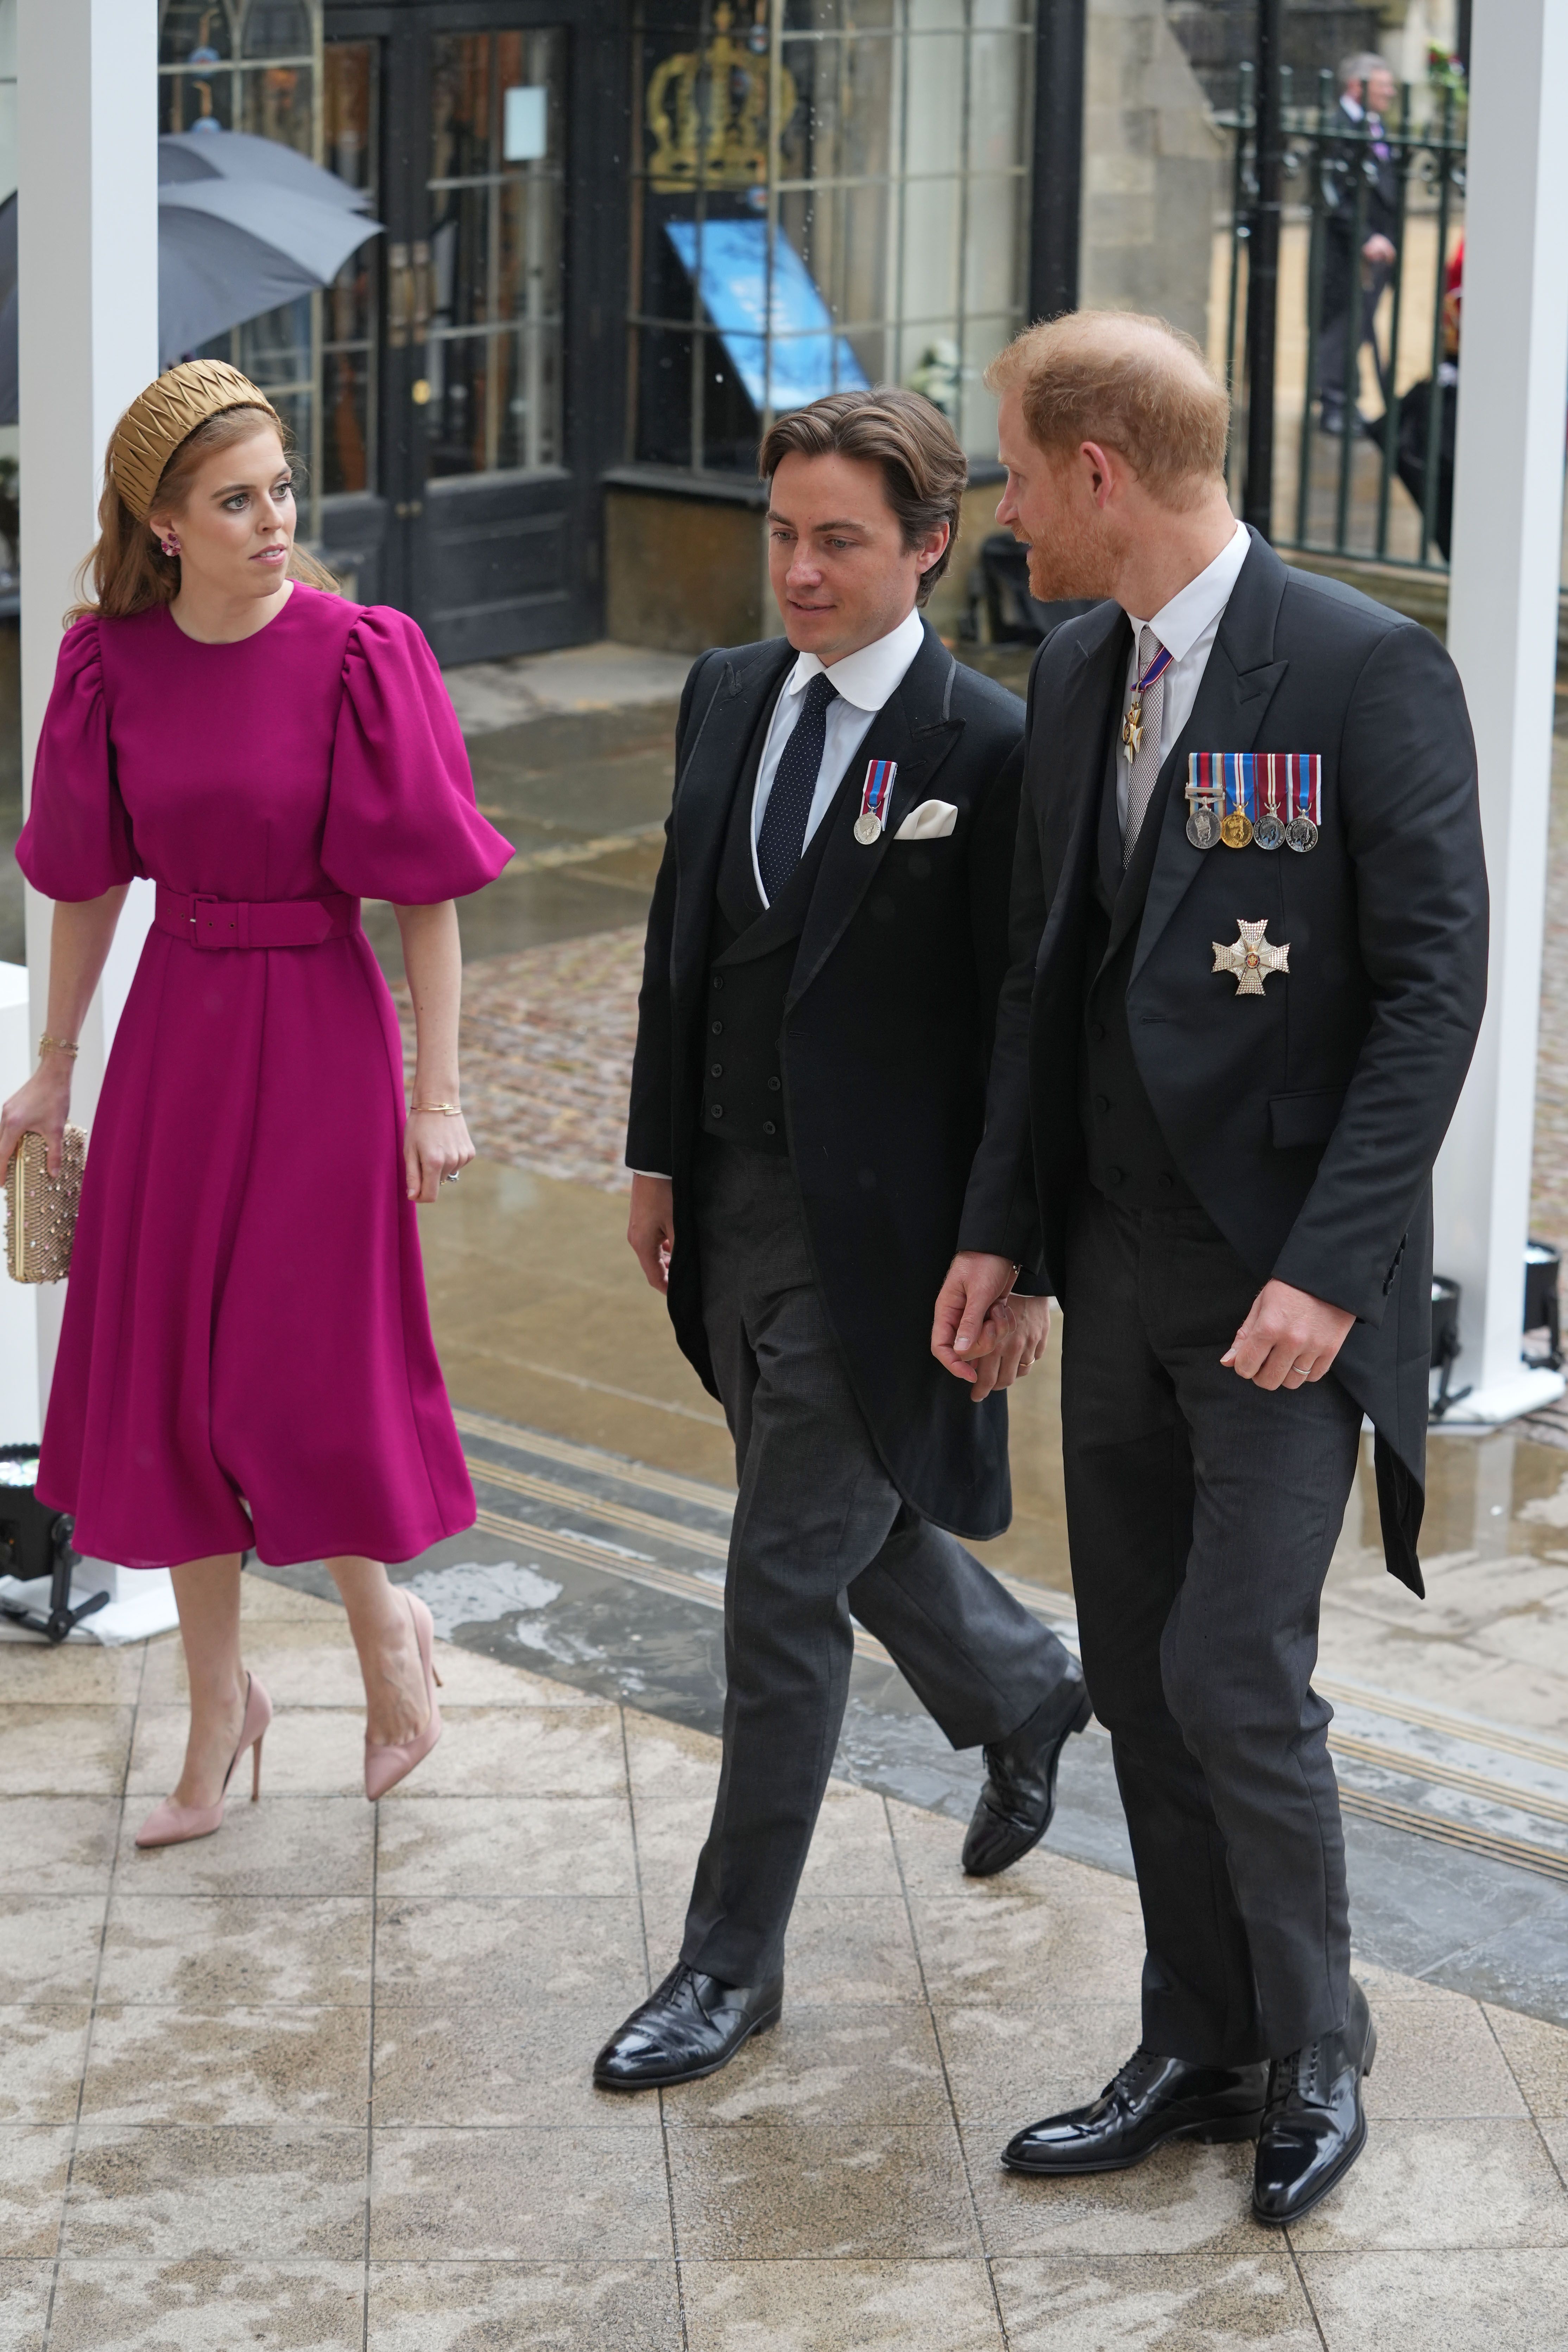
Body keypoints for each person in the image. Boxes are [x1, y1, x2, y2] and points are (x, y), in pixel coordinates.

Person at [934, 313, 1485, 2225]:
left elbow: (1430, 999)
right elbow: (1044, 980)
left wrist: (1333, 1273)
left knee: (1237, 1673)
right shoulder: (1079, 661)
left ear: (1097, 473)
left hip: (1278, 1292)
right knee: (1139, 1675)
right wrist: (999, 1231)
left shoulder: (1362, 670)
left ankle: (1316, 2052)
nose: (997, 515)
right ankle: (1200, 2037)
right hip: (1115, 1266)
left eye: (1010, 472)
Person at [595, 386, 1089, 2091]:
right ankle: (1023, 1687)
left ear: (931, 548)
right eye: (782, 534)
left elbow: (1029, 1022)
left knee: (781, 1578)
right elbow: (681, 939)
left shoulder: (991, 746)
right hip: (729, 1202)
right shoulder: (727, 692)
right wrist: (659, 1150)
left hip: (887, 1240)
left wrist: (1015, 1252)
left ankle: (731, 1963)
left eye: (839, 542)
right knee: (844, 1523)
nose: (798, 572)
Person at [0, 361, 512, 1845]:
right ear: (164, 524)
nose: (275, 520)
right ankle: (218, 1710)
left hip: (322, 1035)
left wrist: (440, 1095)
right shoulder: (107, 665)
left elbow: (425, 896)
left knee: (296, 1371)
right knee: (169, 1374)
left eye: (283, 490)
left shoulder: (363, 655)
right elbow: (87, 879)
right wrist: (55, 1059)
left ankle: (383, 1646)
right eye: (238, 501)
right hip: (177, 1033)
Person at [1316, 52, 1401, 437]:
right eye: (1383, 86)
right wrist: (1366, 237)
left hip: (1378, 251)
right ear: (1357, 85)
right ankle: (1332, 404)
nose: (1391, 93)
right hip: (1346, 251)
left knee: (1359, 327)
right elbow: (1332, 194)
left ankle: (1350, 399)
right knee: (1341, 325)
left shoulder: (1374, 124)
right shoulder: (1337, 126)